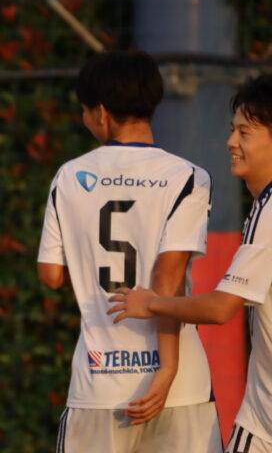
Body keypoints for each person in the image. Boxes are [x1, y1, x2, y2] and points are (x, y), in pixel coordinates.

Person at [37, 50, 221, 452]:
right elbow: (169, 276)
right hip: (181, 387)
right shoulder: (189, 177)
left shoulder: (68, 176)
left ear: (101, 113)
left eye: (85, 111)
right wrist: (167, 370)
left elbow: (50, 275)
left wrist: (87, 266)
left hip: (99, 383)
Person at [109, 74, 272, 453]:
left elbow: (220, 308)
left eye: (244, 133)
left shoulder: (269, 209)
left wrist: (152, 302)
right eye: (232, 130)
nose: (231, 142)